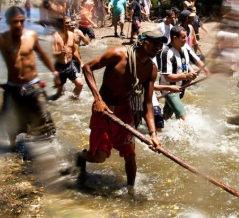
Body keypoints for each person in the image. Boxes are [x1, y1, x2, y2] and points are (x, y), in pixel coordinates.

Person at [75, 29, 166, 193]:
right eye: (155, 44)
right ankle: (81, 156)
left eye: (160, 45)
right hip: (103, 107)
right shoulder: (117, 54)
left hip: (125, 110)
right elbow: (88, 67)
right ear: (144, 42)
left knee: (130, 154)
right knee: (99, 157)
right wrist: (98, 99)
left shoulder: (151, 69)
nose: (158, 48)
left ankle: (131, 191)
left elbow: (147, 104)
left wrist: (153, 134)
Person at [0, 6, 60, 151]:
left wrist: (54, 73)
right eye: (15, 22)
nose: (19, 25)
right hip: (13, 87)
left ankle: (51, 152)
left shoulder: (31, 36)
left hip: (33, 85)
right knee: (11, 124)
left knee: (45, 119)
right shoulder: (1, 39)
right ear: (9, 22)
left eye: (22, 21)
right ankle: (12, 149)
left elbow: (42, 54)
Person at [159, 26, 210, 120]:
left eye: (186, 37)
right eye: (183, 37)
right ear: (174, 38)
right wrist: (186, 76)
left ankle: (161, 125)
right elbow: (167, 77)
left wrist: (206, 70)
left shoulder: (185, 47)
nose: (185, 40)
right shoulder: (167, 52)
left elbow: (196, 60)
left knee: (167, 115)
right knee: (183, 116)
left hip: (182, 86)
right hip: (169, 89)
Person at [51, 16, 84, 100]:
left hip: (70, 65)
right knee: (59, 94)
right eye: (67, 23)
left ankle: (72, 99)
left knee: (80, 84)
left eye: (70, 22)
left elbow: (74, 51)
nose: (69, 24)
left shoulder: (72, 35)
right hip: (60, 67)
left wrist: (80, 62)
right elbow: (53, 53)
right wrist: (60, 52)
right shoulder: (55, 36)